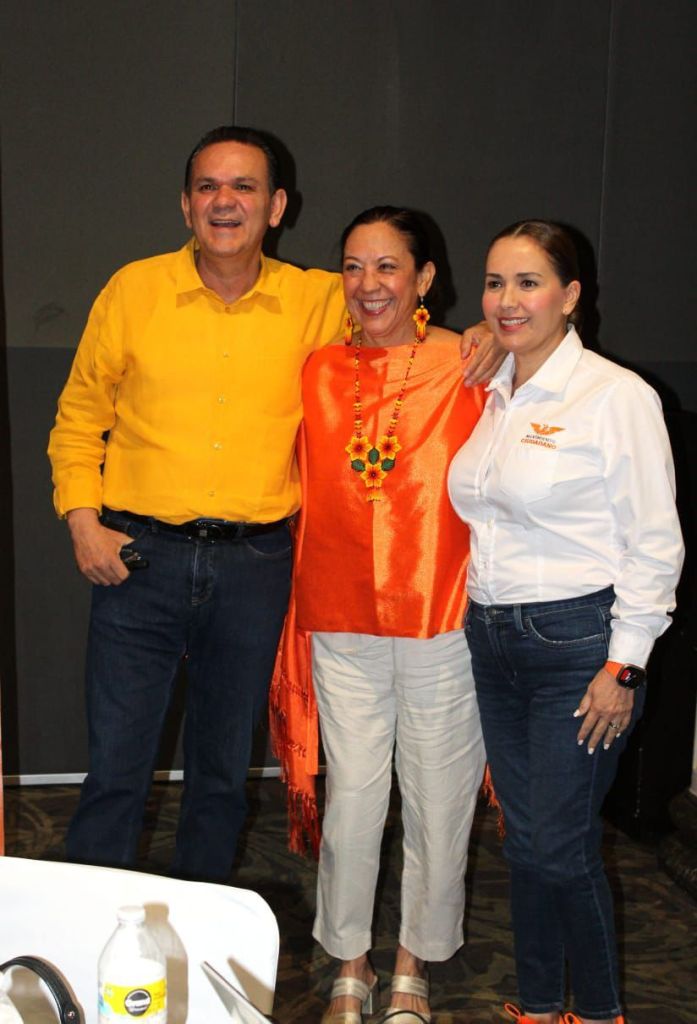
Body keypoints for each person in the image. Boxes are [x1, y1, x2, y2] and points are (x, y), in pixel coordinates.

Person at [48, 126, 496, 884]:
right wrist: (83, 522)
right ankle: (91, 938)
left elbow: (395, 321)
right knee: (116, 772)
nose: (224, 202)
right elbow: (78, 417)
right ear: (186, 204)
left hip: (254, 568)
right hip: (136, 560)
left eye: (244, 187)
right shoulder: (133, 291)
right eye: (208, 187)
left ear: (277, 206)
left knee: (222, 776)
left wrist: (486, 336)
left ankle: (207, 931)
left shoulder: (319, 299)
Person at [448, 220, 684, 1024]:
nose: (506, 300)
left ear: (570, 294)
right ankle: (541, 1005)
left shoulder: (614, 397)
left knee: (558, 844)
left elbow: (655, 543)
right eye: (494, 283)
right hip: (492, 642)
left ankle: (602, 1011)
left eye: (528, 282)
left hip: (578, 649)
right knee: (523, 840)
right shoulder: (493, 390)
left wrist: (624, 666)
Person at [271, 207, 489, 1024]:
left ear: (424, 278)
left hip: (442, 614)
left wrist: (493, 338)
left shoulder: (470, 362)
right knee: (354, 800)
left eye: (388, 266)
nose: (368, 285)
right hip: (340, 616)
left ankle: (412, 964)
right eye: (353, 267)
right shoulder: (316, 367)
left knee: (438, 797)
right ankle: (349, 959)